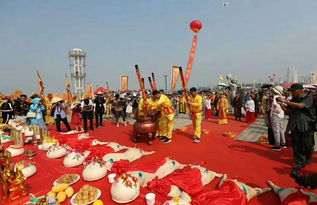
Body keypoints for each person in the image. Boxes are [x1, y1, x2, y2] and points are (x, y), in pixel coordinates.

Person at [278, 83, 316, 176]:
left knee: (307, 144)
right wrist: (282, 106)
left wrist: (286, 101)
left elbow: (301, 106)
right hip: (295, 125)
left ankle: (308, 157)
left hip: (306, 125)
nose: (292, 93)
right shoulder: (293, 99)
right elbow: (289, 111)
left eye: (293, 91)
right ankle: (299, 162)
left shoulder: (308, 98)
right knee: (296, 144)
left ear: (300, 90)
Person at [269, 86, 286, 151]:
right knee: (281, 129)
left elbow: (277, 106)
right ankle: (283, 143)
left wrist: (274, 110)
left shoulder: (276, 97)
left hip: (276, 115)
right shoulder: (282, 97)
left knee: (276, 130)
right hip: (281, 115)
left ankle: (277, 145)